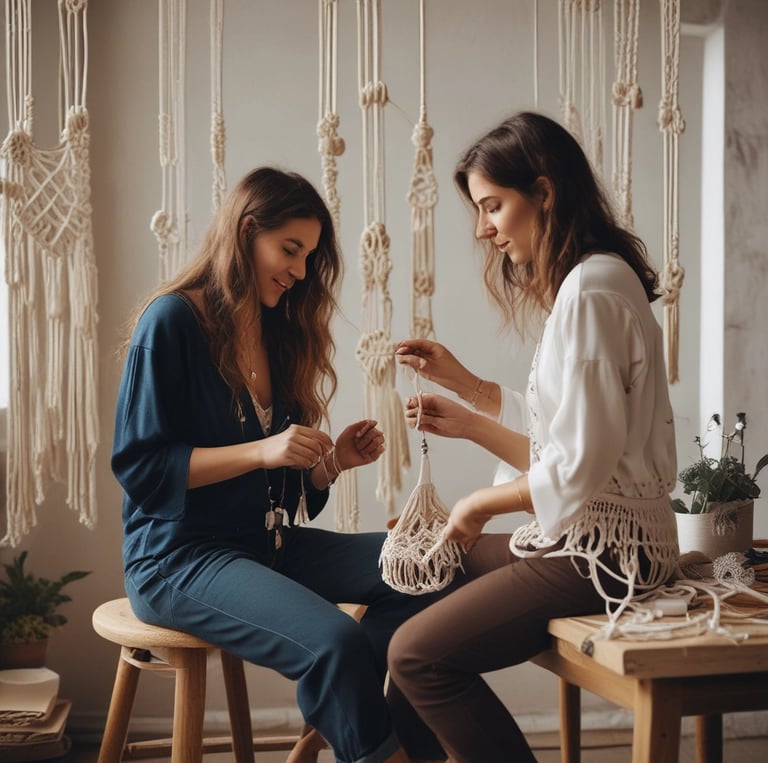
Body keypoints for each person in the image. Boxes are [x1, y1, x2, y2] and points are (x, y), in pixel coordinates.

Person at [111, 167, 446, 763]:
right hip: (175, 558)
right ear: (245, 233)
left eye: (308, 256)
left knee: (425, 566)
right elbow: (143, 467)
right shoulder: (171, 322)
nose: (298, 270)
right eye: (289, 249)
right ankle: (377, 746)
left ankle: (346, 725)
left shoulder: (278, 333)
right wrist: (264, 449)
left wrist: (331, 463)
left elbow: (278, 488)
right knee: (334, 641)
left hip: (265, 545)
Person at [387, 112, 679, 763]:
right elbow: (566, 443)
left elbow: (576, 468)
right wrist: (466, 389)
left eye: (493, 205)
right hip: (589, 536)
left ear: (543, 192)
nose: (484, 227)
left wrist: (473, 506)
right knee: (410, 574)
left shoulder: (590, 293)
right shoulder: (591, 282)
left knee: (415, 654)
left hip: (602, 555)